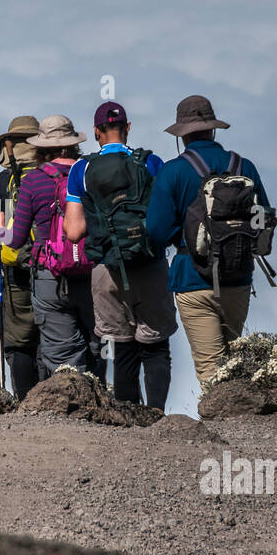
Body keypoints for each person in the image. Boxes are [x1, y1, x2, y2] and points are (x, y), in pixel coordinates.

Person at [147, 96, 272, 384]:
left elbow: (156, 231)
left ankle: (218, 428)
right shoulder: (245, 167)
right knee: (233, 364)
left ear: (182, 134)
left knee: (210, 369)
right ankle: (239, 425)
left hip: (192, 278)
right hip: (238, 277)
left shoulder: (173, 171)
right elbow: (262, 219)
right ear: (213, 130)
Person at [64, 102, 177, 409]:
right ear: (128, 128)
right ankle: (158, 417)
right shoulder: (151, 163)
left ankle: (128, 420)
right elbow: (166, 217)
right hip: (150, 263)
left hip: (107, 268)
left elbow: (73, 232)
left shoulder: (81, 169)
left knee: (123, 350)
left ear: (97, 133)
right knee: (155, 348)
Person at [0, 115, 104, 379]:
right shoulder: (90, 173)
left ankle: (72, 408)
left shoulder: (34, 180)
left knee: (61, 350)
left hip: (49, 274)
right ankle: (100, 404)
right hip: (92, 271)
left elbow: (17, 238)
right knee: (95, 344)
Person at [0, 116, 42, 398]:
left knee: (19, 343)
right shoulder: (53, 177)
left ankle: (26, 402)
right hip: (56, 269)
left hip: (14, 274)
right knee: (52, 337)